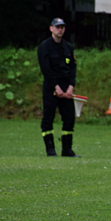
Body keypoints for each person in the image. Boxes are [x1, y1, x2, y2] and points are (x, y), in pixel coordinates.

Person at [37, 18, 79, 157]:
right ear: (51, 29)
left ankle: (67, 149)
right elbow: (46, 69)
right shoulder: (44, 47)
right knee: (48, 117)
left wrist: (71, 86)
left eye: (62, 27)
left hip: (66, 88)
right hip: (51, 87)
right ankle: (50, 149)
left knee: (69, 118)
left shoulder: (68, 47)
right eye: (57, 27)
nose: (60, 29)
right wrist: (56, 87)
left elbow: (72, 68)